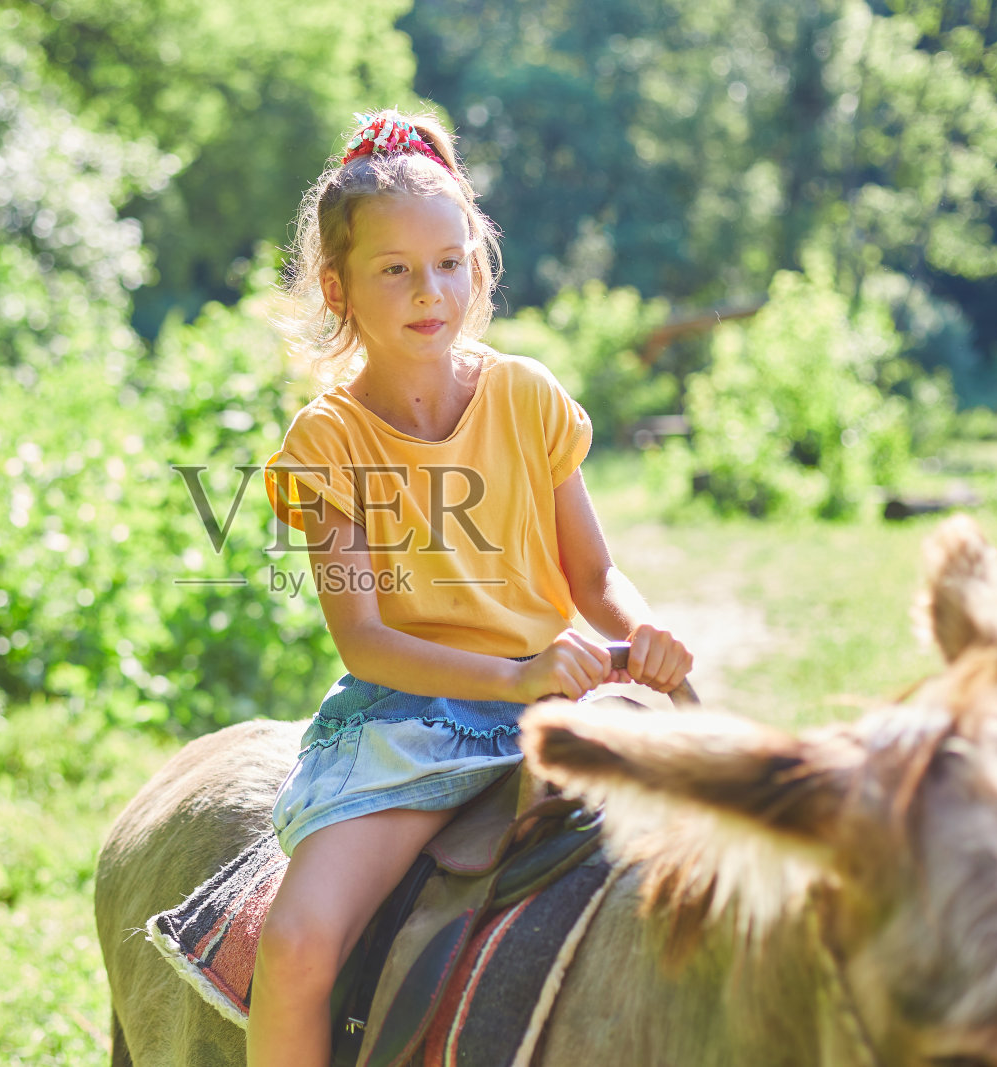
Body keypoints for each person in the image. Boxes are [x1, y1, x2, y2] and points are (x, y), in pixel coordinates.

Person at [252, 109, 693, 1066]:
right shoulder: (328, 442)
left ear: (478, 267)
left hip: (559, 701)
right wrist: (513, 675)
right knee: (295, 946)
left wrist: (646, 630)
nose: (431, 291)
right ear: (338, 288)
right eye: (395, 269)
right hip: (410, 725)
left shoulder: (527, 396)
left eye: (450, 263)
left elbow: (595, 577)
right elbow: (365, 641)